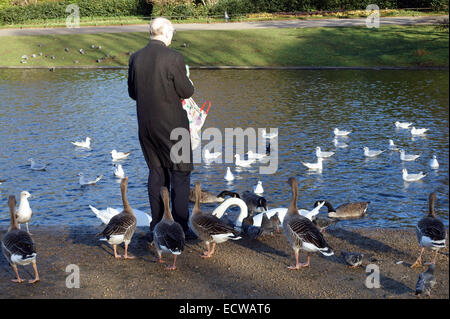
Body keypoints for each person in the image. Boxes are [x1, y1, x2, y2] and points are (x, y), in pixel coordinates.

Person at [128, 17, 196, 241]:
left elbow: (133, 93)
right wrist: (189, 82)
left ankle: (157, 225)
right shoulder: (173, 57)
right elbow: (186, 91)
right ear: (166, 33)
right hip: (173, 126)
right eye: (172, 33)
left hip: (146, 126)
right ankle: (181, 227)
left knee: (156, 173)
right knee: (180, 173)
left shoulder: (135, 58)